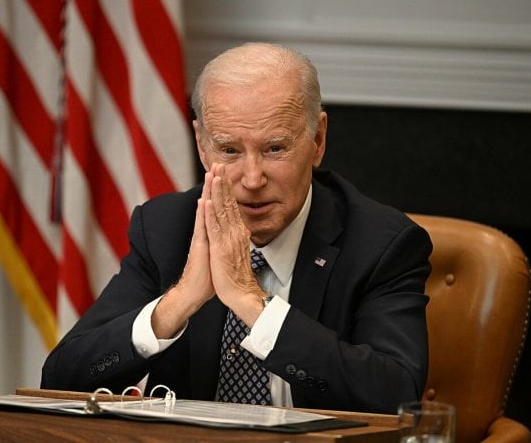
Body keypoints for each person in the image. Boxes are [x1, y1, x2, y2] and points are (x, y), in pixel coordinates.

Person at [41, 42, 432, 414]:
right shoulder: (166, 228)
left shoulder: (381, 244)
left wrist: (251, 302)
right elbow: (60, 378)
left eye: (274, 148)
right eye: (229, 150)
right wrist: (177, 303)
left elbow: (396, 396)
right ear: (201, 144)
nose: (251, 178)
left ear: (317, 139)